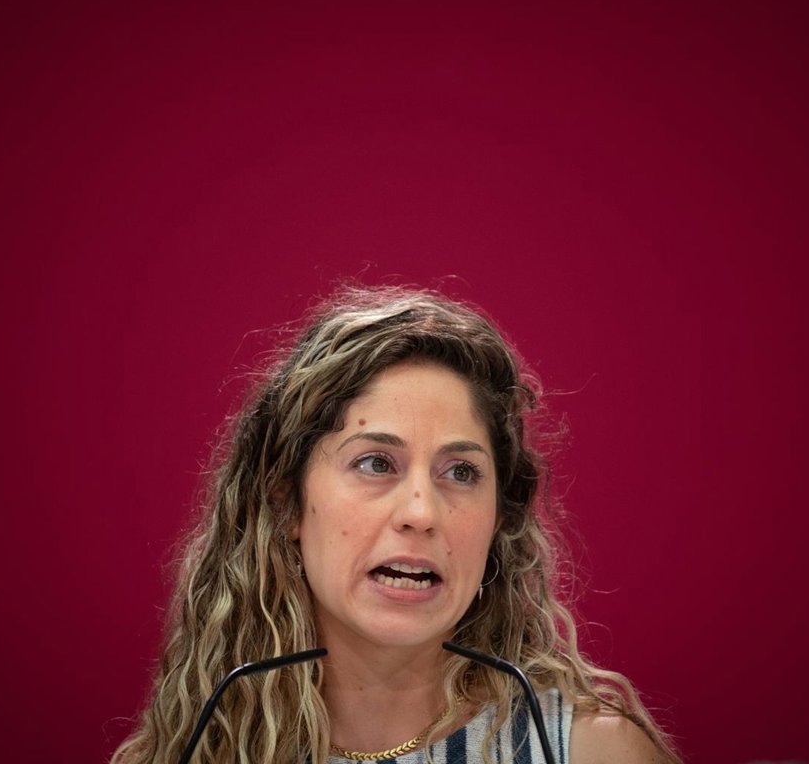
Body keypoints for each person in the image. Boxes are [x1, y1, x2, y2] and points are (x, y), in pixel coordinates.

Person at [111, 285, 681, 764]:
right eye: (376, 463)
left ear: (499, 521)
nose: (421, 513)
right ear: (286, 504)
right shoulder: (193, 752)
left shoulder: (592, 751)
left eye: (461, 472)